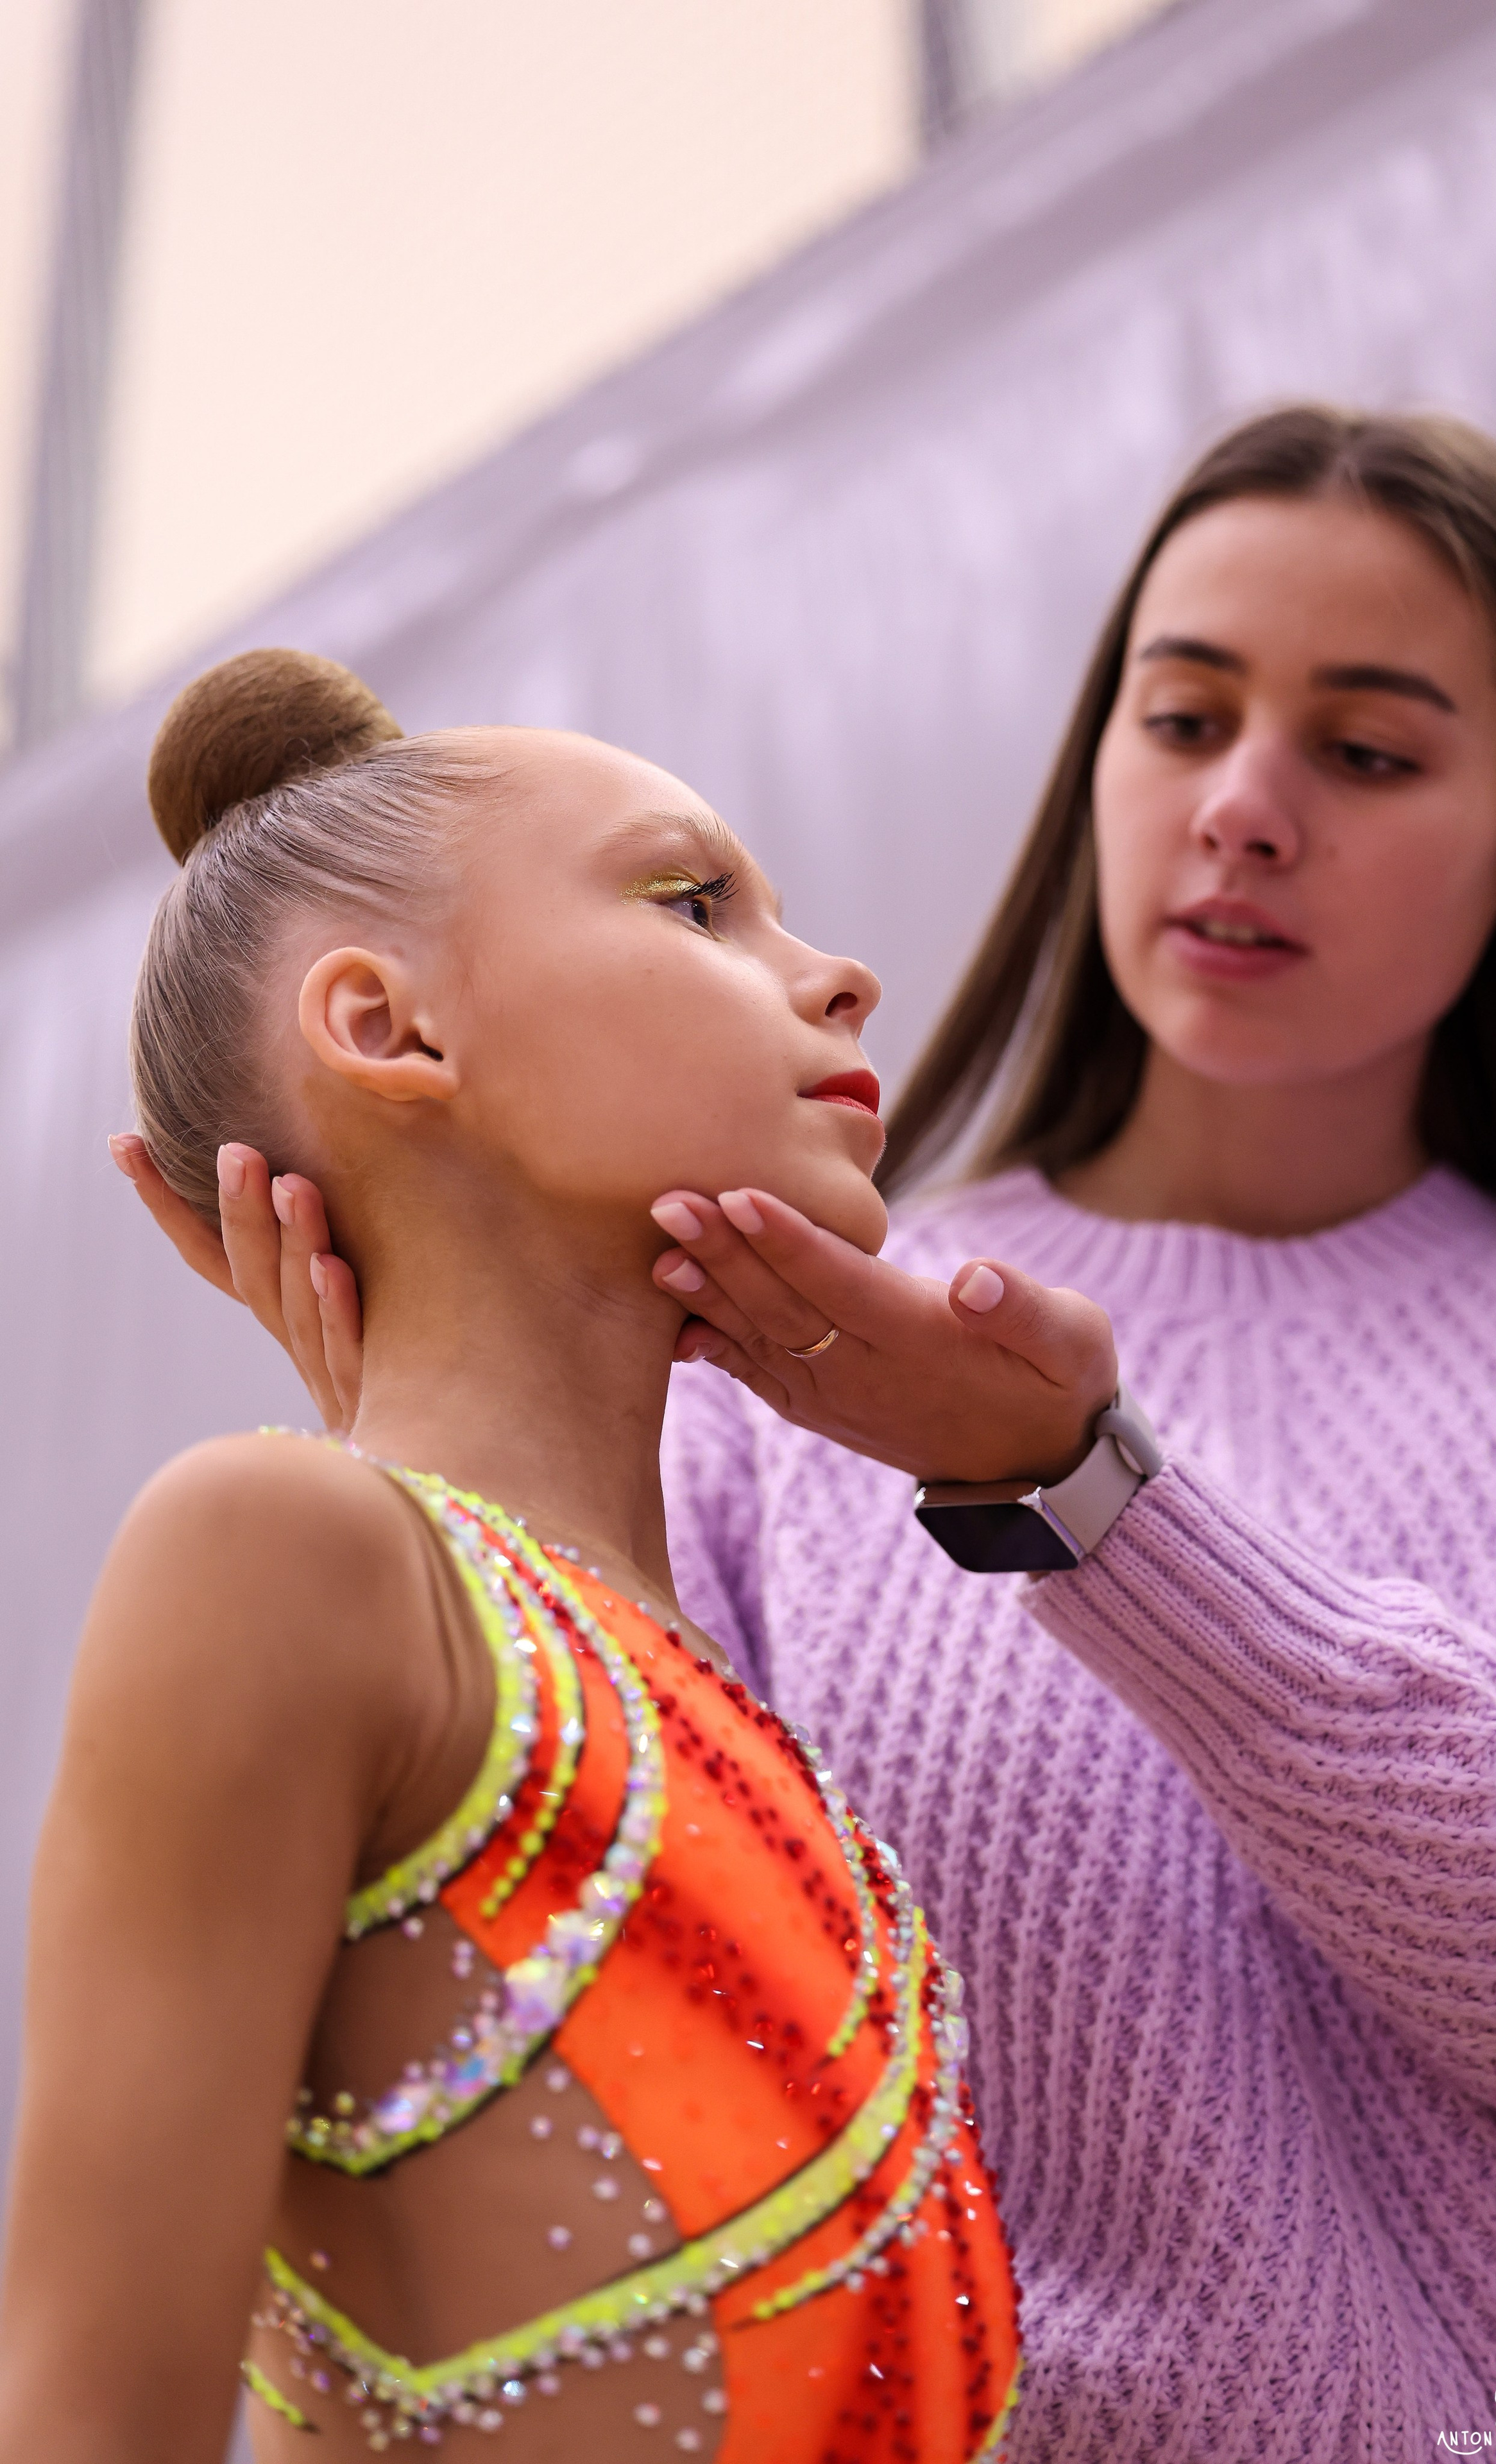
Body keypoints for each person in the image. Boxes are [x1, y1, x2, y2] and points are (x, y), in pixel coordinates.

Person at [119, 408, 1496, 2460]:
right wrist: (438, 1488)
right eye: (1181, 719)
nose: (1247, 810)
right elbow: (632, 2070)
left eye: (1366, 752)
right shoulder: (779, 1342)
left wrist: (1100, 1508)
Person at [0, 652, 1028, 2463]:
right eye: (695, 901)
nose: (840, 972)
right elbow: (87, 2420)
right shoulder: (285, 1555)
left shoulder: (733, 1712)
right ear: (389, 1031)